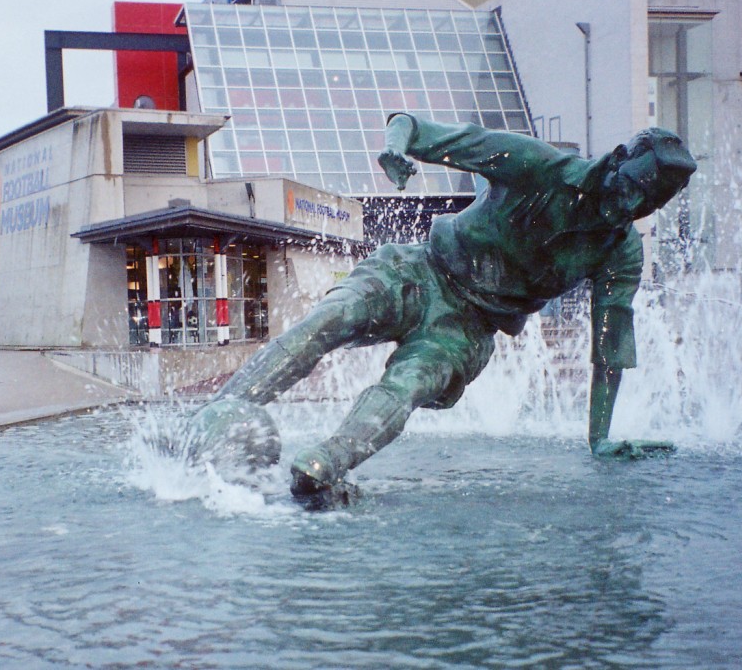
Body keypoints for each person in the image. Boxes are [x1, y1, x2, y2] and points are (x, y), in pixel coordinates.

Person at [196, 112, 696, 502]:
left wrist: (600, 440)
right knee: (333, 318)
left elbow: (609, 349)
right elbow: (414, 128)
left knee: (410, 384)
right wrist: (395, 149)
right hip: (419, 271)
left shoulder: (620, 251)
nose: (629, 206)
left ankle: (326, 463)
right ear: (618, 160)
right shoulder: (536, 165)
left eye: (646, 203)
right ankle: (216, 414)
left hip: (469, 326)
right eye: (631, 186)